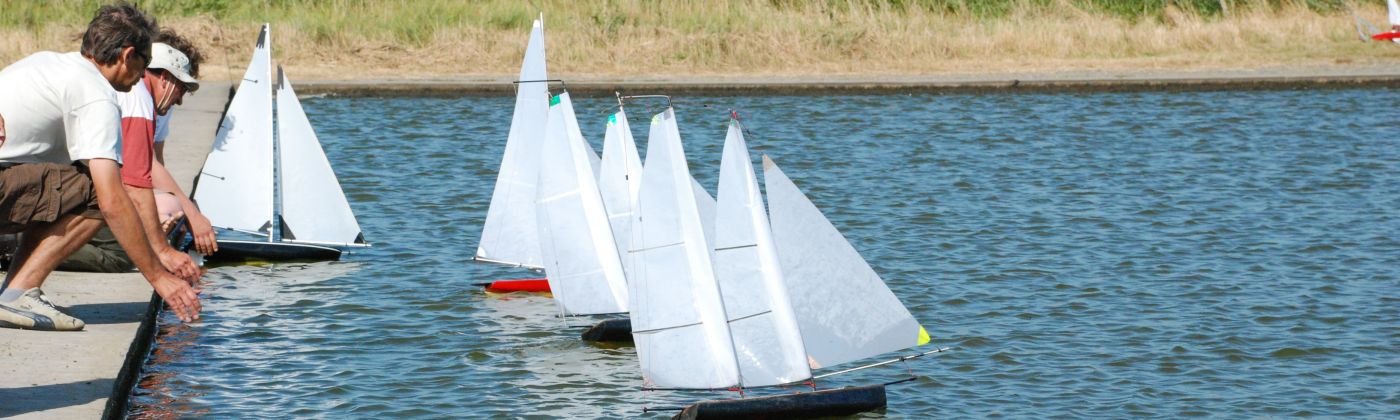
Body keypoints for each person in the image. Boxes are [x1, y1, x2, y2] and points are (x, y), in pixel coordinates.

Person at [0, 3, 200, 331]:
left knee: (70, 183)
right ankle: (20, 292)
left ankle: (14, 293)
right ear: (127, 55)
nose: (143, 74)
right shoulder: (97, 94)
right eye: (145, 62)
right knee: (96, 190)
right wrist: (159, 277)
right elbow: (113, 200)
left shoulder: (48, 62)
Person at [58, 30, 211, 273]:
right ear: (165, 79)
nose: (180, 101)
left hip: (71, 175)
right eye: (181, 88)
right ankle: (18, 246)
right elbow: (137, 179)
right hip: (68, 182)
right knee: (124, 253)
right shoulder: (138, 97)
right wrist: (159, 247)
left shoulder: (141, 95)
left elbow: (144, 174)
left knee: (164, 211)